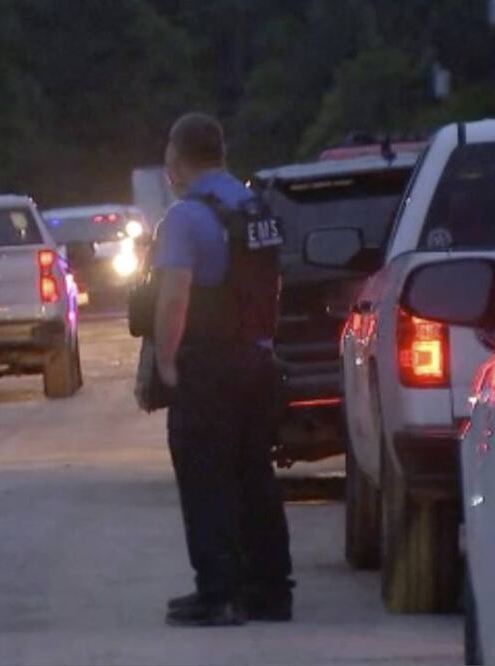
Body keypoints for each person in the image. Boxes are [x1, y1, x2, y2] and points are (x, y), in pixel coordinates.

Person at [153, 112, 293, 627]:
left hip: (208, 363)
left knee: (204, 478)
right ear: (222, 152)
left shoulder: (186, 217)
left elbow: (173, 299)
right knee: (255, 475)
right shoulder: (254, 205)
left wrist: (167, 361)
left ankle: (219, 593)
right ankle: (272, 590)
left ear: (175, 158)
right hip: (257, 359)